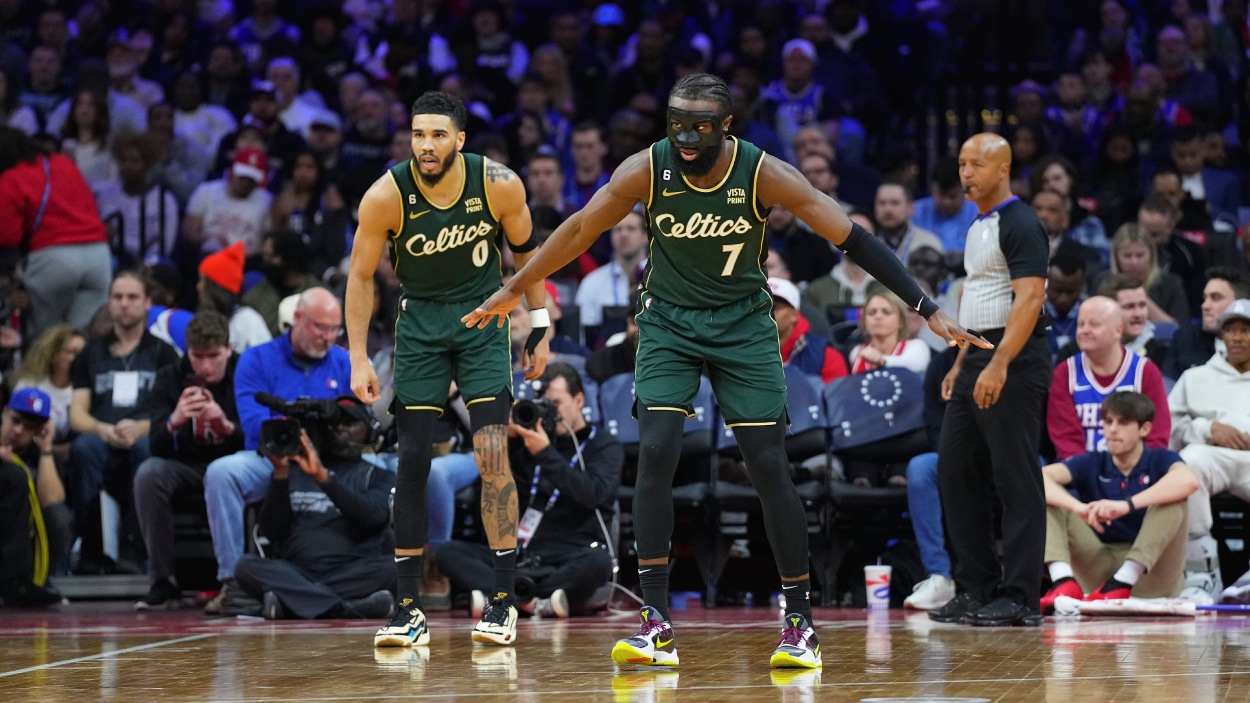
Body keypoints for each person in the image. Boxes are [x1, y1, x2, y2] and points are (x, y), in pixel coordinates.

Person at [463, 73, 985, 669]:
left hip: (743, 326)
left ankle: (799, 623)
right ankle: (656, 623)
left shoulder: (764, 173)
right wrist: (517, 285)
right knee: (656, 451)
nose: (684, 137)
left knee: (767, 464)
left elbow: (852, 237)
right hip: (668, 323)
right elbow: (583, 227)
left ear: (727, 128)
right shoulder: (647, 168)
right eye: (675, 123)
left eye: (699, 127)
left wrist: (925, 306)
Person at [345, 91, 551, 650]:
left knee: (490, 452)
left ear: (460, 139)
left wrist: (539, 319)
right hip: (420, 327)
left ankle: (503, 600)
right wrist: (359, 356)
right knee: (412, 460)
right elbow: (361, 277)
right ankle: (408, 606)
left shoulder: (499, 183)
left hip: (483, 320)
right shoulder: (386, 195)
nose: (426, 145)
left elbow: (527, 252)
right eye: (417, 134)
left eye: (438, 135)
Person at [928, 133, 1051, 628]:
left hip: (1015, 359)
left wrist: (999, 362)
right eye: (961, 163)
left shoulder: (1021, 222)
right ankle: (975, 587)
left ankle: (1021, 596)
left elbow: (1030, 299)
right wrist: (962, 361)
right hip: (978, 352)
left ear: (1003, 169)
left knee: (1016, 477)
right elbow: (979, 294)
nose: (965, 173)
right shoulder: (978, 224)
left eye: (976, 164)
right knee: (955, 471)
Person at [201, 288, 351, 614]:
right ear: (296, 319)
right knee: (222, 473)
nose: (327, 337)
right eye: (319, 327)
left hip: (330, 460)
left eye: (333, 329)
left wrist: (340, 417)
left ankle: (403, 570)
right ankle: (232, 584)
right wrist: (303, 421)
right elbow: (255, 424)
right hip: (272, 458)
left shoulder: (344, 362)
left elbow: (361, 423)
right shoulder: (256, 359)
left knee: (384, 468)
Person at [435, 363, 622, 618]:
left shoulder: (604, 445)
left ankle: (501, 598)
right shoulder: (526, 442)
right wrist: (509, 443)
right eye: (544, 404)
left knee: (598, 563)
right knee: (448, 552)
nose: (550, 412)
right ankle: (536, 601)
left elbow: (593, 494)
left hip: (569, 552)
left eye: (556, 402)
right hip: (521, 551)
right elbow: (493, 500)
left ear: (578, 400)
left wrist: (545, 454)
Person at [232, 401, 397, 621]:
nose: (342, 430)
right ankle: (347, 609)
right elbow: (270, 532)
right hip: (297, 571)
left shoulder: (377, 476)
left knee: (397, 567)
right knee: (245, 566)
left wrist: (325, 479)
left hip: (351, 571)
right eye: (336, 424)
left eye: (350, 423)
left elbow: (373, 517)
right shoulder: (295, 472)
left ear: (369, 431)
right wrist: (280, 474)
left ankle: (294, 603)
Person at [1039, 391, 1197, 613]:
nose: (1112, 429)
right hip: (1100, 567)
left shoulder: (1160, 459)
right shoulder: (1093, 461)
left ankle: (1124, 580)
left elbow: (1188, 481)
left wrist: (1127, 505)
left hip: (1152, 575)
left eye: (1123, 422)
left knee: (1174, 496)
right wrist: (1078, 507)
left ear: (1145, 429)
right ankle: (1063, 582)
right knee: (1048, 498)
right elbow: (1038, 478)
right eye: (1108, 421)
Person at [69, 271, 180, 574]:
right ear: (110, 302)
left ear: (147, 303)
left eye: (132, 298)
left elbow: (175, 410)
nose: (124, 304)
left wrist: (142, 427)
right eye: (117, 297)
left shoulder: (163, 352)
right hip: (103, 435)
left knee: (148, 449)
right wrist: (102, 429)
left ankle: (134, 549)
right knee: (83, 448)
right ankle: (91, 549)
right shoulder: (91, 353)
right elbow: (77, 413)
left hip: (145, 434)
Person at [132, 312, 243, 609]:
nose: (205, 366)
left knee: (251, 470)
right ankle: (162, 580)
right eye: (197, 356)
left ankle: (243, 579)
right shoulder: (170, 377)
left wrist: (228, 427)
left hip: (236, 463)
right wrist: (174, 421)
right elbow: (154, 444)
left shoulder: (245, 371)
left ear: (229, 349)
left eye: (214, 356)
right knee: (149, 473)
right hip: (187, 467)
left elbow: (261, 436)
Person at [1168, 299, 1250, 604]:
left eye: (1245, 330)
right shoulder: (1195, 377)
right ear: (1222, 336)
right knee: (1188, 464)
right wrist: (1208, 429)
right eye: (1231, 330)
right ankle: (1202, 573)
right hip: (1211, 455)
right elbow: (1171, 430)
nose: (1238, 337)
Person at [0, 126, 111, 341]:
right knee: (81, 341)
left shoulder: (10, 177)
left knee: (44, 341)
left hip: (54, 259)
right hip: (98, 255)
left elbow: (7, 236)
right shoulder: (63, 163)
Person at [1046, 296, 1170, 461]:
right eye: (1081, 324)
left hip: (1134, 470)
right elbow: (1065, 439)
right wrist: (1088, 476)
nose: (1084, 330)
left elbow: (1157, 435)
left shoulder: (1145, 372)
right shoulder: (1064, 373)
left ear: (1118, 330)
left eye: (1094, 324)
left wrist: (1133, 471)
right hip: (1078, 471)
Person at [0, 388, 70, 606]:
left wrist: (46, 450)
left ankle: (33, 582)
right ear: (5, 413)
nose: (18, 430)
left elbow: (53, 502)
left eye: (29, 427)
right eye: (15, 420)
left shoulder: (39, 454)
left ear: (40, 430)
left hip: (21, 542)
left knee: (59, 517)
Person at [1163, 269, 1250, 380]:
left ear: (1241, 303)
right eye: (1205, 298)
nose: (1205, 306)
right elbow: (1168, 384)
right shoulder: (1185, 338)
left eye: (1216, 298)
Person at [11, 325, 87, 449]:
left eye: (83, 353)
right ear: (54, 353)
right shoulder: (30, 383)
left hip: (61, 455)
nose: (79, 359)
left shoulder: (85, 391)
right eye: (71, 352)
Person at [195, 242, 273, 353]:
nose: (198, 287)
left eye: (202, 280)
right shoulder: (203, 320)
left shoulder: (248, 321)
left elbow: (264, 363)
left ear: (216, 287)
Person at [768, 278, 847, 384]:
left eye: (773, 307)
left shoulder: (826, 357)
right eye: (758, 307)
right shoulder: (740, 348)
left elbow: (837, 398)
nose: (764, 312)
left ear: (794, 315)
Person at [848, 292, 932, 376]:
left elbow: (913, 364)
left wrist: (882, 360)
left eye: (886, 312)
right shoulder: (856, 352)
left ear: (901, 321)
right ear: (864, 322)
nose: (878, 316)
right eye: (872, 313)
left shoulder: (916, 346)